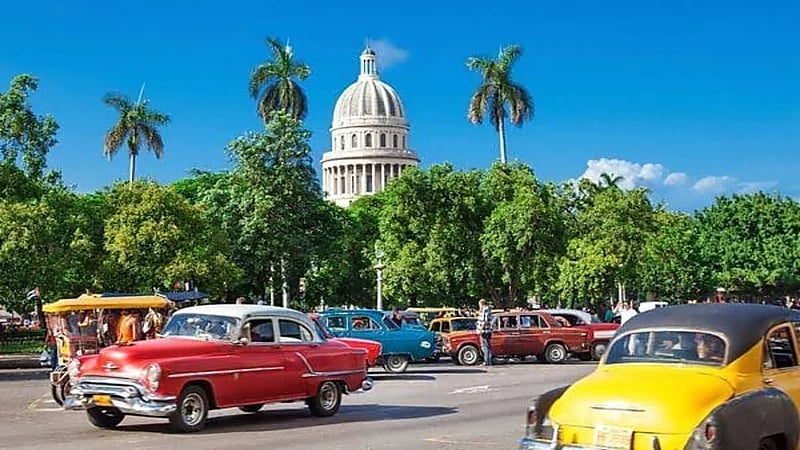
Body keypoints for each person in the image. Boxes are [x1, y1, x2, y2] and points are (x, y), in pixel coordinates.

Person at [475, 299, 493, 366]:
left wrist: (480, 330)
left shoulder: (484, 310)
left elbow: (484, 321)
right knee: (488, 346)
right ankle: (488, 361)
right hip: (488, 330)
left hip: (484, 330)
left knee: (485, 346)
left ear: (481, 304)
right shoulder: (489, 309)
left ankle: (486, 361)